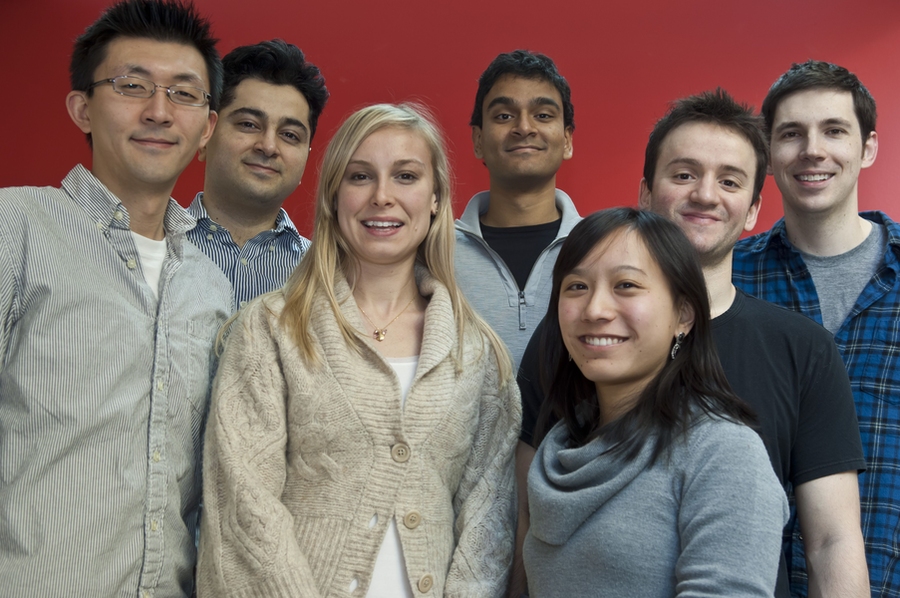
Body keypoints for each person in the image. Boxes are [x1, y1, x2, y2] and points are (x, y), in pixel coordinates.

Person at [519, 89, 868, 598]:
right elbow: (525, 513)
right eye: (683, 175)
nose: (705, 194)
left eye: (729, 181)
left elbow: (832, 541)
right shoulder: (572, 336)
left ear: (752, 211)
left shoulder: (801, 349)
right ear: (644, 193)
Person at [197, 103, 520, 597]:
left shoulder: (475, 352)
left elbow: (488, 524)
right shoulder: (272, 330)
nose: (382, 197)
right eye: (360, 176)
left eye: (406, 176)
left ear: (435, 198)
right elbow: (243, 506)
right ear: (333, 197)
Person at [0, 1, 231, 596]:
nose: (158, 112)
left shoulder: (210, 284)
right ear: (82, 107)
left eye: (184, 94)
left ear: (206, 128)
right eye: (132, 86)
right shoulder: (16, 225)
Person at [523, 208, 787, 597]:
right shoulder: (561, 444)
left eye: (626, 285)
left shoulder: (723, 453)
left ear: (683, 314)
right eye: (576, 286)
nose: (595, 310)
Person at [733, 60, 899, 597]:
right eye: (791, 134)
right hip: (748, 581)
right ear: (768, 153)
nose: (812, 150)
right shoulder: (725, 278)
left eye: (834, 130)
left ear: (868, 148)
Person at [455, 49, 580, 370]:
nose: (524, 128)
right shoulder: (433, 249)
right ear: (478, 140)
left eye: (543, 115)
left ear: (566, 140)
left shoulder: (601, 247)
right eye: (503, 116)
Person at [187, 39, 328, 308]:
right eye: (249, 124)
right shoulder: (151, 250)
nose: (269, 146)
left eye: (289, 135)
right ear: (206, 133)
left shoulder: (326, 278)